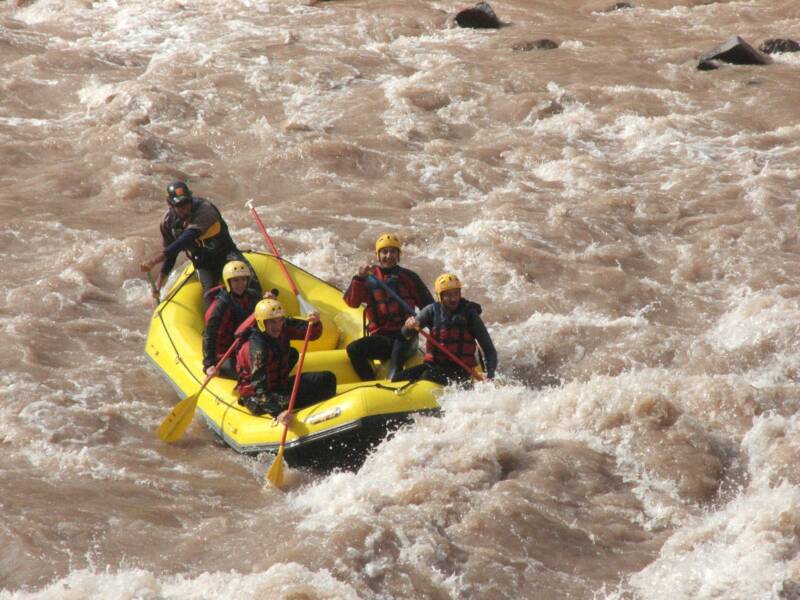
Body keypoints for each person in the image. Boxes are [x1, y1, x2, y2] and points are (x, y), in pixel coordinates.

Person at [139, 181, 261, 304]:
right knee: (210, 295)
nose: (185, 209)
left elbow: (185, 239)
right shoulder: (167, 223)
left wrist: (154, 261)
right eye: (179, 205)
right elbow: (171, 256)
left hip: (226, 253)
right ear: (170, 204)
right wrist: (159, 285)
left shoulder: (206, 210)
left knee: (252, 284)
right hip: (204, 263)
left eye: (187, 203)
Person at [343, 233, 434, 381]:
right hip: (382, 338)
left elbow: (429, 308)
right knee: (353, 349)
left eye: (393, 252)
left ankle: (415, 373)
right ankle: (370, 383)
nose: (389, 256)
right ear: (378, 255)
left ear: (398, 255)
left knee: (394, 375)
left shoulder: (409, 277)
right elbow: (351, 302)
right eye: (384, 252)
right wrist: (358, 279)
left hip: (406, 336)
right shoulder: (367, 278)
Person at [235, 298, 337, 425]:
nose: (277, 326)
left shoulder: (283, 326)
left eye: (280, 321)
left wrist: (315, 322)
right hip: (258, 398)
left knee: (328, 379)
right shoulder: (257, 349)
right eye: (272, 322)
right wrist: (278, 413)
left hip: (279, 386)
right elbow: (259, 388)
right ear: (262, 323)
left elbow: (311, 333)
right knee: (307, 393)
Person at [398, 273, 497, 385]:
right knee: (399, 377)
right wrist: (408, 326)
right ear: (439, 296)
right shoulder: (431, 311)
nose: (454, 298)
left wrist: (490, 375)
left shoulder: (470, 314)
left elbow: (489, 349)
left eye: (456, 293)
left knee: (427, 375)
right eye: (448, 295)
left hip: (460, 370)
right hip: (434, 365)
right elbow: (405, 334)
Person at [203, 260, 268, 379]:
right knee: (256, 373)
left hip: (248, 346)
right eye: (236, 280)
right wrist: (209, 365)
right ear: (228, 282)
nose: (240, 284)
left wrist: (267, 303)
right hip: (227, 355)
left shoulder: (253, 296)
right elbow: (209, 336)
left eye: (243, 279)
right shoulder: (219, 307)